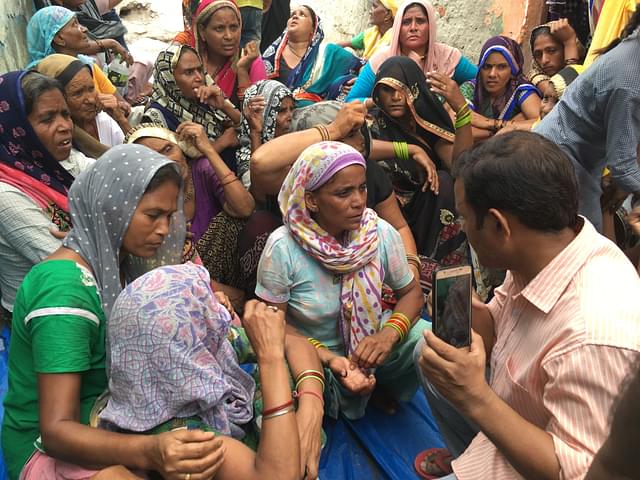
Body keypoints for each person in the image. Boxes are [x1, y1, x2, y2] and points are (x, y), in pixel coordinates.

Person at [414, 131, 640, 480]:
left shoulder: (592, 337)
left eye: (462, 217)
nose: (461, 228)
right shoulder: (545, 250)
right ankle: (469, 453)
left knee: (449, 376)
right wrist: (466, 310)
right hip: (522, 416)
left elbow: (579, 473)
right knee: (429, 354)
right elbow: (500, 326)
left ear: (498, 225)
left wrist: (473, 396)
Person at [1, 144, 189, 479]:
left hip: (109, 415)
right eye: (152, 215)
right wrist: (150, 452)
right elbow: (57, 432)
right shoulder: (64, 289)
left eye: (170, 217)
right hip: (47, 446)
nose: (163, 230)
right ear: (111, 208)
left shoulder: (121, 266)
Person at [256, 141, 425, 420]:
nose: (359, 201)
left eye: (362, 188)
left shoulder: (378, 233)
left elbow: (412, 294)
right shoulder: (283, 248)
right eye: (343, 193)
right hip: (311, 354)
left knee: (427, 343)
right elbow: (272, 325)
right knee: (274, 400)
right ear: (312, 200)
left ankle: (381, 384)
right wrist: (329, 359)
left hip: (371, 344)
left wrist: (388, 335)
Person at [99, 263, 303, 480]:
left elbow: (298, 345)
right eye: (205, 306)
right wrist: (271, 359)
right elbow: (279, 475)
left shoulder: (190, 358)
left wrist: (311, 405)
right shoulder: (183, 438)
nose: (220, 310)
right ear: (184, 342)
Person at [249, 100, 421, 281]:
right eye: (350, 134)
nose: (361, 141)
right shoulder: (298, 181)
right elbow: (259, 161)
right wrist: (334, 129)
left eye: (362, 189)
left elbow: (399, 227)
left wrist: (410, 268)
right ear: (311, 200)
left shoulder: (368, 171)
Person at [126, 122, 255, 306]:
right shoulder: (147, 202)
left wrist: (208, 150)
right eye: (154, 157)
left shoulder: (201, 170)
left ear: (181, 148)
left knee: (241, 222)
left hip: (227, 270)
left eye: (169, 149)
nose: (168, 160)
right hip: (186, 279)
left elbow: (245, 208)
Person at [534, 12, 640, 232]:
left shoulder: (631, 53)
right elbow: (622, 165)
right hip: (560, 160)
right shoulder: (629, 79)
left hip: (575, 159)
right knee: (586, 245)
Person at [0, 71, 92, 318]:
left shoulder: (59, 163)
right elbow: (73, 268)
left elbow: (125, 189)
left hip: (80, 305)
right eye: (47, 119)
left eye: (65, 114)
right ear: (17, 128)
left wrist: (82, 238)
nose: (65, 126)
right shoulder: (5, 196)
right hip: (42, 322)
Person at [372, 56, 468, 265]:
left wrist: (462, 111)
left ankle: (440, 269)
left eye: (403, 89)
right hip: (386, 212)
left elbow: (461, 166)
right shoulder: (373, 123)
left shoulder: (428, 126)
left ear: (415, 90)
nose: (396, 97)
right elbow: (360, 149)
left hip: (427, 211)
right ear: (377, 92)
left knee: (443, 182)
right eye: (387, 90)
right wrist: (409, 150)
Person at [346, 0, 477, 104]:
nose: (413, 28)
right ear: (397, 27)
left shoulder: (447, 56)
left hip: (443, 131)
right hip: (393, 132)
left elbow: (480, 79)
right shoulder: (382, 59)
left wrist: (458, 97)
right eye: (406, 22)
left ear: (430, 25)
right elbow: (351, 101)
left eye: (420, 21)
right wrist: (381, 101)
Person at [144, 44, 240, 160]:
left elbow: (248, 128)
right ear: (169, 78)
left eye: (199, 70)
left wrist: (224, 106)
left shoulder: (204, 98)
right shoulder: (157, 117)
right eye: (189, 72)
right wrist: (221, 143)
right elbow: (178, 167)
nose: (199, 77)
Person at [262, 5, 364, 105]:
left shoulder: (328, 52)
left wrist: (360, 82)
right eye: (292, 15)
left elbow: (363, 65)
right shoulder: (273, 57)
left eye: (302, 14)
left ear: (313, 29)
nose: (295, 16)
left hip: (321, 112)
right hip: (282, 113)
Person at [175, 0, 267, 107]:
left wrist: (242, 72)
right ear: (202, 31)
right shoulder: (189, 63)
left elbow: (259, 116)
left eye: (234, 27)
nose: (229, 36)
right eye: (219, 28)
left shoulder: (252, 63)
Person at [35, 54, 129, 148]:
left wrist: (121, 120)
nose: (91, 100)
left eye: (91, 88)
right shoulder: (58, 138)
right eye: (78, 93)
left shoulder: (104, 119)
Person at [26, 5, 133, 87]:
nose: (84, 29)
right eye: (75, 24)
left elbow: (117, 102)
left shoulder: (86, 63)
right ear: (59, 39)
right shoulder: (45, 79)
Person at [457, 36, 541, 140]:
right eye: (487, 67)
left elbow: (542, 123)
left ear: (513, 70)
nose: (492, 74)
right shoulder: (470, 88)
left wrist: (488, 123)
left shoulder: (521, 90)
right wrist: (503, 128)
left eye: (501, 67)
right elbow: (461, 129)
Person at [236, 79, 294, 188]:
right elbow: (259, 192)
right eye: (281, 111)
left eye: (291, 109)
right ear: (264, 115)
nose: (290, 116)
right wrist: (256, 132)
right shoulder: (246, 157)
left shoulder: (292, 146)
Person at [528, 18, 581, 89]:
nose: (544, 61)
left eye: (551, 51)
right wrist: (569, 42)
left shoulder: (589, 68)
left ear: (565, 49)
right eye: (538, 55)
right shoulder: (536, 77)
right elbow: (567, 90)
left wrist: (569, 43)